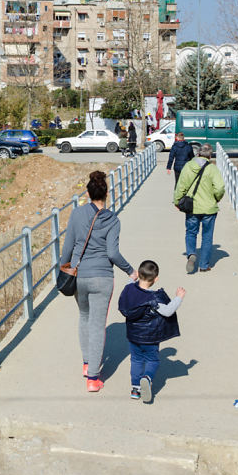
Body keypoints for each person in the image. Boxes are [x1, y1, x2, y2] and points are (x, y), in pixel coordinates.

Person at [59, 171, 138, 393]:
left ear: (88, 193)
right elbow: (113, 253)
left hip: (80, 275)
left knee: (84, 317)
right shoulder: (113, 219)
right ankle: (93, 378)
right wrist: (130, 271)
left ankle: (86, 364)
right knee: (97, 325)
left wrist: (64, 268)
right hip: (103, 277)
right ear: (106, 194)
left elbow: (68, 246)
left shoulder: (76, 214)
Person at [118, 260, 184, 403]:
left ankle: (135, 389)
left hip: (133, 335)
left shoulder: (128, 289)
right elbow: (168, 311)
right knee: (152, 360)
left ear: (139, 274)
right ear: (156, 279)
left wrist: (131, 278)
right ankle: (147, 378)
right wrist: (178, 297)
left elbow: (130, 283)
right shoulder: (154, 298)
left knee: (136, 360)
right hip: (150, 338)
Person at [173, 143, 226, 274]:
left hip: (192, 207)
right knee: (207, 237)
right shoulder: (212, 169)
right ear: (211, 155)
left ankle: (191, 253)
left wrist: (177, 201)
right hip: (209, 208)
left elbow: (181, 186)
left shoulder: (188, 166)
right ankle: (204, 265)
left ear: (198, 153)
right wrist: (217, 198)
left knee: (191, 232)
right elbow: (219, 188)